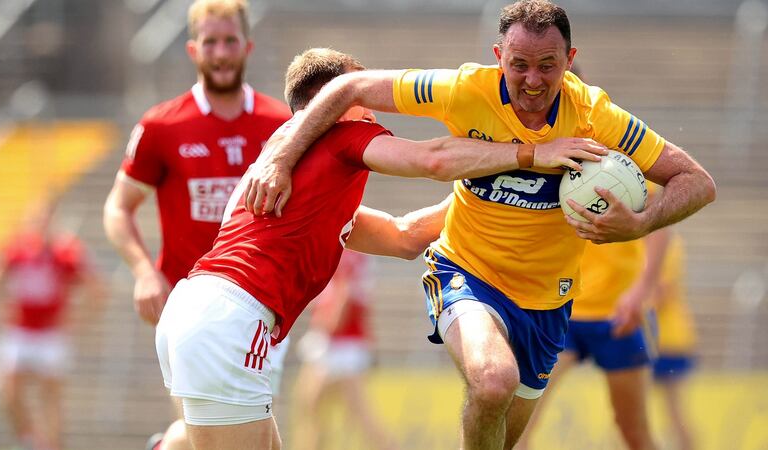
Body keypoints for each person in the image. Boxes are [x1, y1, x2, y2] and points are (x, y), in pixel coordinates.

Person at [243, 1, 716, 448]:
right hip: (465, 273)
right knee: (493, 383)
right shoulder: (465, 90)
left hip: (548, 303)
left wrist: (640, 223)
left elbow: (697, 180)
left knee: (504, 438)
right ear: (498, 57)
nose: (532, 79)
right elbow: (349, 87)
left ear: (570, 59)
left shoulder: (596, 117)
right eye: (518, 64)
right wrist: (281, 159)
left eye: (547, 65)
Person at [155, 46, 608, 450]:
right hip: (230, 319)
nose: (374, 106)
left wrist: (512, 196)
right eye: (363, 95)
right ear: (332, 104)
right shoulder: (339, 135)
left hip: (195, 309)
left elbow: (404, 234)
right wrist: (531, 154)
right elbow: (432, 159)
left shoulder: (302, 174)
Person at [102, 1, 291, 449]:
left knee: (246, 434)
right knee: (219, 430)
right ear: (193, 49)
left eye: (229, 41)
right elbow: (117, 208)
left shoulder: (281, 125)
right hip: (190, 309)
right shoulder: (162, 125)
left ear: (247, 46)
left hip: (261, 308)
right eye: (210, 42)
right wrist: (144, 272)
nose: (221, 53)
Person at [516, 227, 670, 450]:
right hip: (559, 310)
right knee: (520, 421)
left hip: (619, 314)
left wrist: (643, 288)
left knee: (634, 431)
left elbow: (660, 227)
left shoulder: (650, 190)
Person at [0, 201, 105, 450]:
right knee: (8, 389)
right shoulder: (17, 247)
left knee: (50, 396)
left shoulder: (65, 251)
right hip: (20, 330)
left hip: (50, 333)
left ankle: (54, 445)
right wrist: (0, 307)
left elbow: (96, 286)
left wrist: (78, 318)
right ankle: (31, 441)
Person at [292, 250, 399, 450]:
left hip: (341, 342)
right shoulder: (356, 249)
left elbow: (345, 290)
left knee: (352, 411)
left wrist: (327, 325)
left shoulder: (349, 249)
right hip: (341, 341)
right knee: (312, 404)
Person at [651, 232, 696, 450]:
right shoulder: (667, 240)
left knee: (672, 412)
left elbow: (659, 293)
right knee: (673, 412)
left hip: (663, 340)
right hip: (666, 337)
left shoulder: (665, 242)